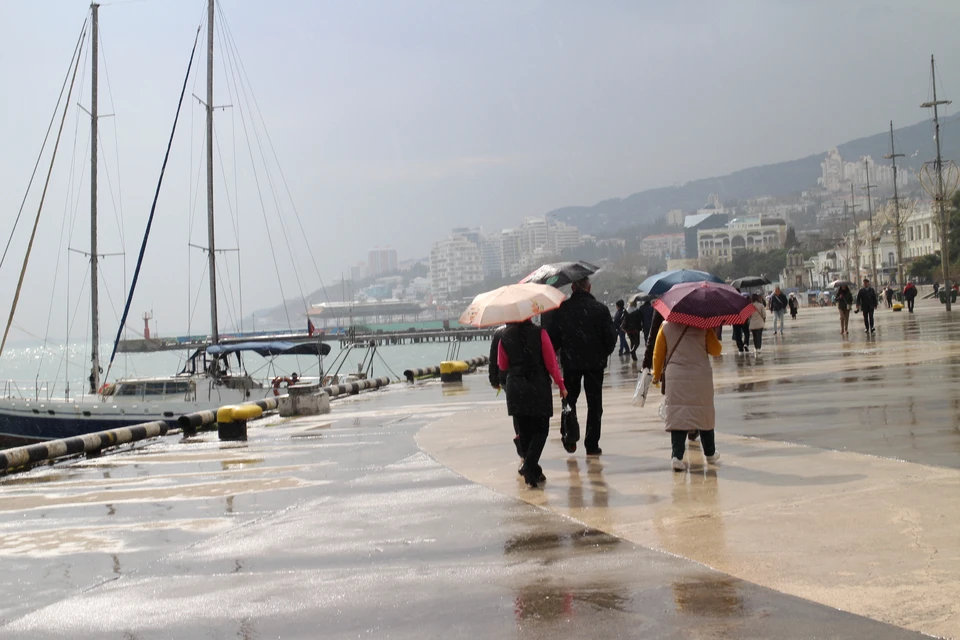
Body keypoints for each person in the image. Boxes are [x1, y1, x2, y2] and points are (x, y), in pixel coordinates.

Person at [548, 277, 618, 456]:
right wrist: (603, 354)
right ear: (589, 288)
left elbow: (552, 340)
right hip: (595, 364)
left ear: (572, 287)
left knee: (569, 400)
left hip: (571, 363)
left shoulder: (562, 309)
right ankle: (592, 444)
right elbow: (611, 338)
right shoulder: (600, 309)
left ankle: (570, 436)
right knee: (594, 404)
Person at [497, 319, 567, 488]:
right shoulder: (540, 333)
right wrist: (561, 385)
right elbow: (551, 362)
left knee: (525, 432)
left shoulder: (504, 337)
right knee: (541, 430)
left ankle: (533, 472)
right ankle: (529, 467)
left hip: (515, 386)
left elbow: (503, 364)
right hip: (538, 385)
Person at [651, 320, 722, 471]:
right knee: (704, 413)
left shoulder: (665, 326)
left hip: (676, 377)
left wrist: (656, 375)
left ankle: (677, 456)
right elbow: (716, 350)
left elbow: (658, 354)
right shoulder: (703, 325)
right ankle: (710, 453)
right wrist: (711, 330)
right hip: (700, 376)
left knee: (678, 415)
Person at [490, 325, 524, 458]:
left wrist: (494, 380)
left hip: (507, 379)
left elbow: (494, 359)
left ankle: (520, 437)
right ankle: (525, 440)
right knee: (529, 411)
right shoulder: (532, 330)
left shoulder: (500, 332)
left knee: (517, 412)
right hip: (529, 377)